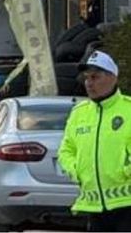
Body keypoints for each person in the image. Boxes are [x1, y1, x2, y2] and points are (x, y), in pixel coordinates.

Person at [58, 50, 131, 232]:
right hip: (94, 207)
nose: (89, 83)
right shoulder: (79, 113)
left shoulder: (128, 109)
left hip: (127, 205)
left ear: (112, 78)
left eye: (95, 77)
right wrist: (76, 170)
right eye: (86, 78)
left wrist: (125, 169)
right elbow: (66, 150)